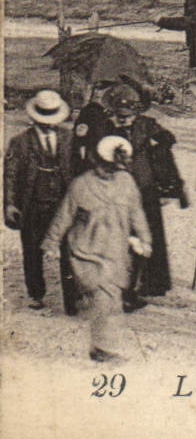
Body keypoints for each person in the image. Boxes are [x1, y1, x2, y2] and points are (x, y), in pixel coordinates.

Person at [43, 136, 151, 362]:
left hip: (116, 252)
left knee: (113, 300)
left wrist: (145, 239)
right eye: (106, 167)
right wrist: (51, 243)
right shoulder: (81, 185)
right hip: (86, 251)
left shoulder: (127, 183)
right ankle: (104, 349)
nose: (110, 172)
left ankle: (100, 345)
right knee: (104, 297)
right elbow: (64, 216)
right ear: (97, 162)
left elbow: (137, 213)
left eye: (114, 168)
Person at [76, 85, 186, 305]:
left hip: (145, 189)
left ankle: (152, 283)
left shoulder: (146, 125)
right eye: (120, 116)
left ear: (136, 113)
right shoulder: (103, 129)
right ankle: (121, 289)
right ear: (112, 112)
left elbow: (169, 138)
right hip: (117, 193)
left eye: (129, 116)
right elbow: (89, 154)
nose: (124, 120)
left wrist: (159, 142)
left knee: (149, 234)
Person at [6, 90, 78, 313]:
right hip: (33, 202)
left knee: (69, 249)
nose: (49, 124)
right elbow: (10, 174)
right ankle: (36, 293)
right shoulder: (21, 142)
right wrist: (10, 203)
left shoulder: (68, 137)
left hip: (63, 203)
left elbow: (77, 168)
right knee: (32, 250)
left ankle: (72, 298)